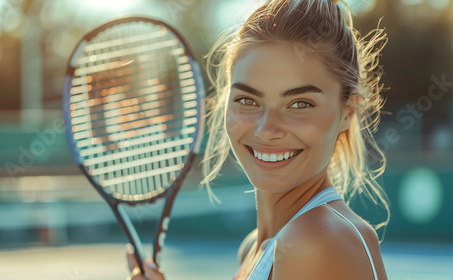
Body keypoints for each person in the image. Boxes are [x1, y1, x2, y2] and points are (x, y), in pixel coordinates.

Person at [126, 0, 390, 279]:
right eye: (247, 100)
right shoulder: (256, 248)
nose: (266, 129)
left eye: (300, 104)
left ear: (347, 111)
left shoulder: (313, 241)